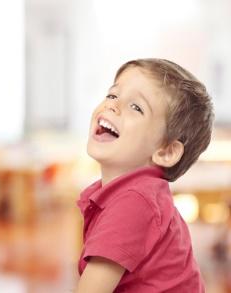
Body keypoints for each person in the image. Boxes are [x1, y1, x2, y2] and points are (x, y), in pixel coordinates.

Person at [75, 58, 214, 292]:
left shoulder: (134, 203)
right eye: (112, 95)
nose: (113, 106)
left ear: (166, 151)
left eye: (136, 107)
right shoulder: (138, 196)